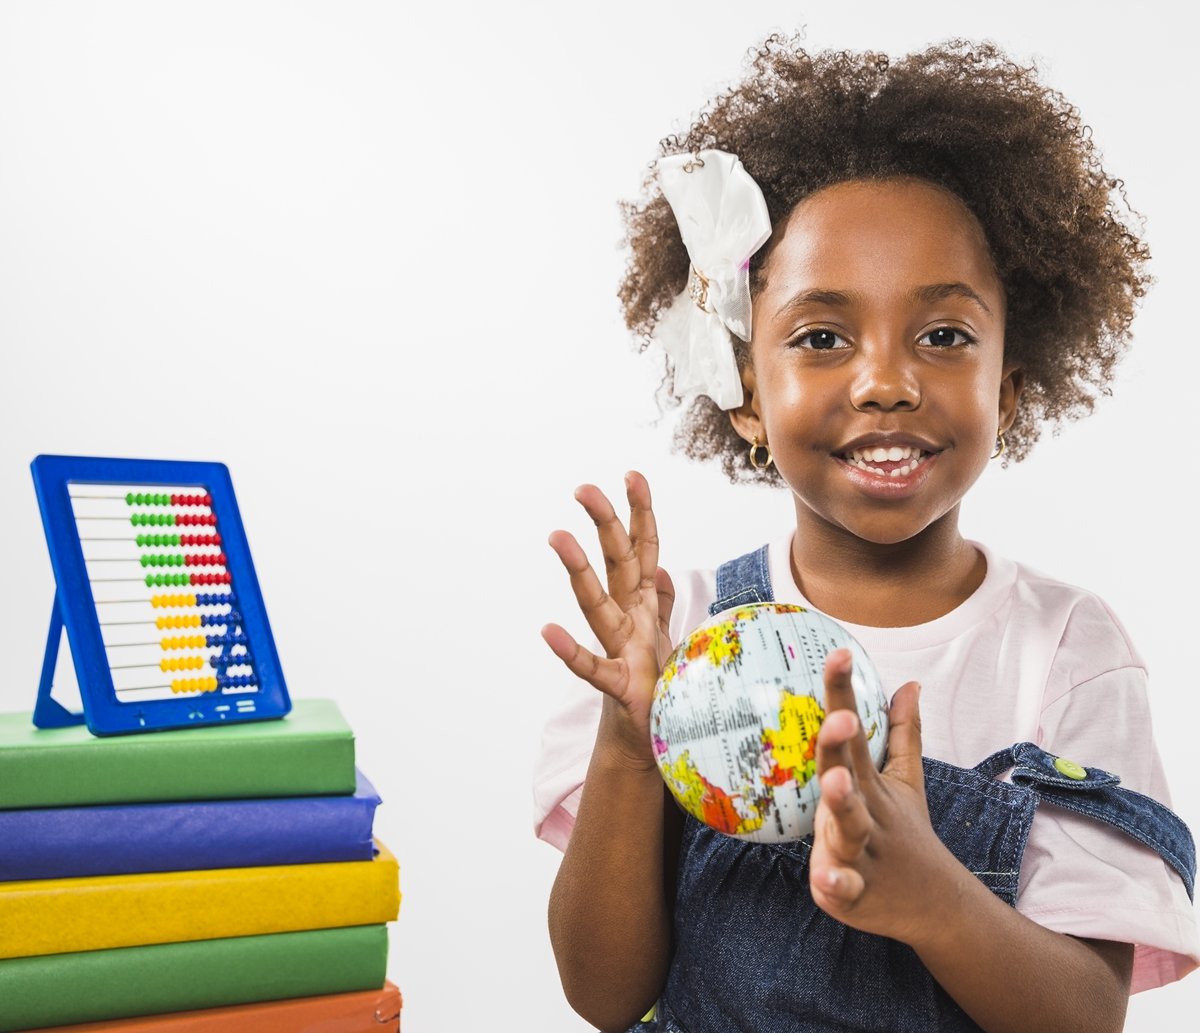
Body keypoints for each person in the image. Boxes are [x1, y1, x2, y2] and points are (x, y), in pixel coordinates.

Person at [533, 35, 1199, 1033]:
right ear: (744, 394)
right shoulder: (691, 633)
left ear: (1009, 390)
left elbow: (1084, 1017)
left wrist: (935, 901)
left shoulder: (1067, 653)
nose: (885, 380)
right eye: (821, 337)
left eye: (943, 335)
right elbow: (604, 992)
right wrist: (637, 740)